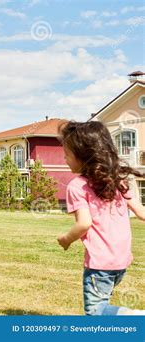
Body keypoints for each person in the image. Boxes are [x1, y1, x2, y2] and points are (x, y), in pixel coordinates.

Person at [57, 121, 144, 315]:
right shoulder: (117, 180)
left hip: (100, 265)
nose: (64, 159)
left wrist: (66, 239)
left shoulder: (77, 186)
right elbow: (141, 212)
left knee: (97, 313)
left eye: (67, 155)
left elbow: (84, 224)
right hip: (121, 262)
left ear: (83, 156)